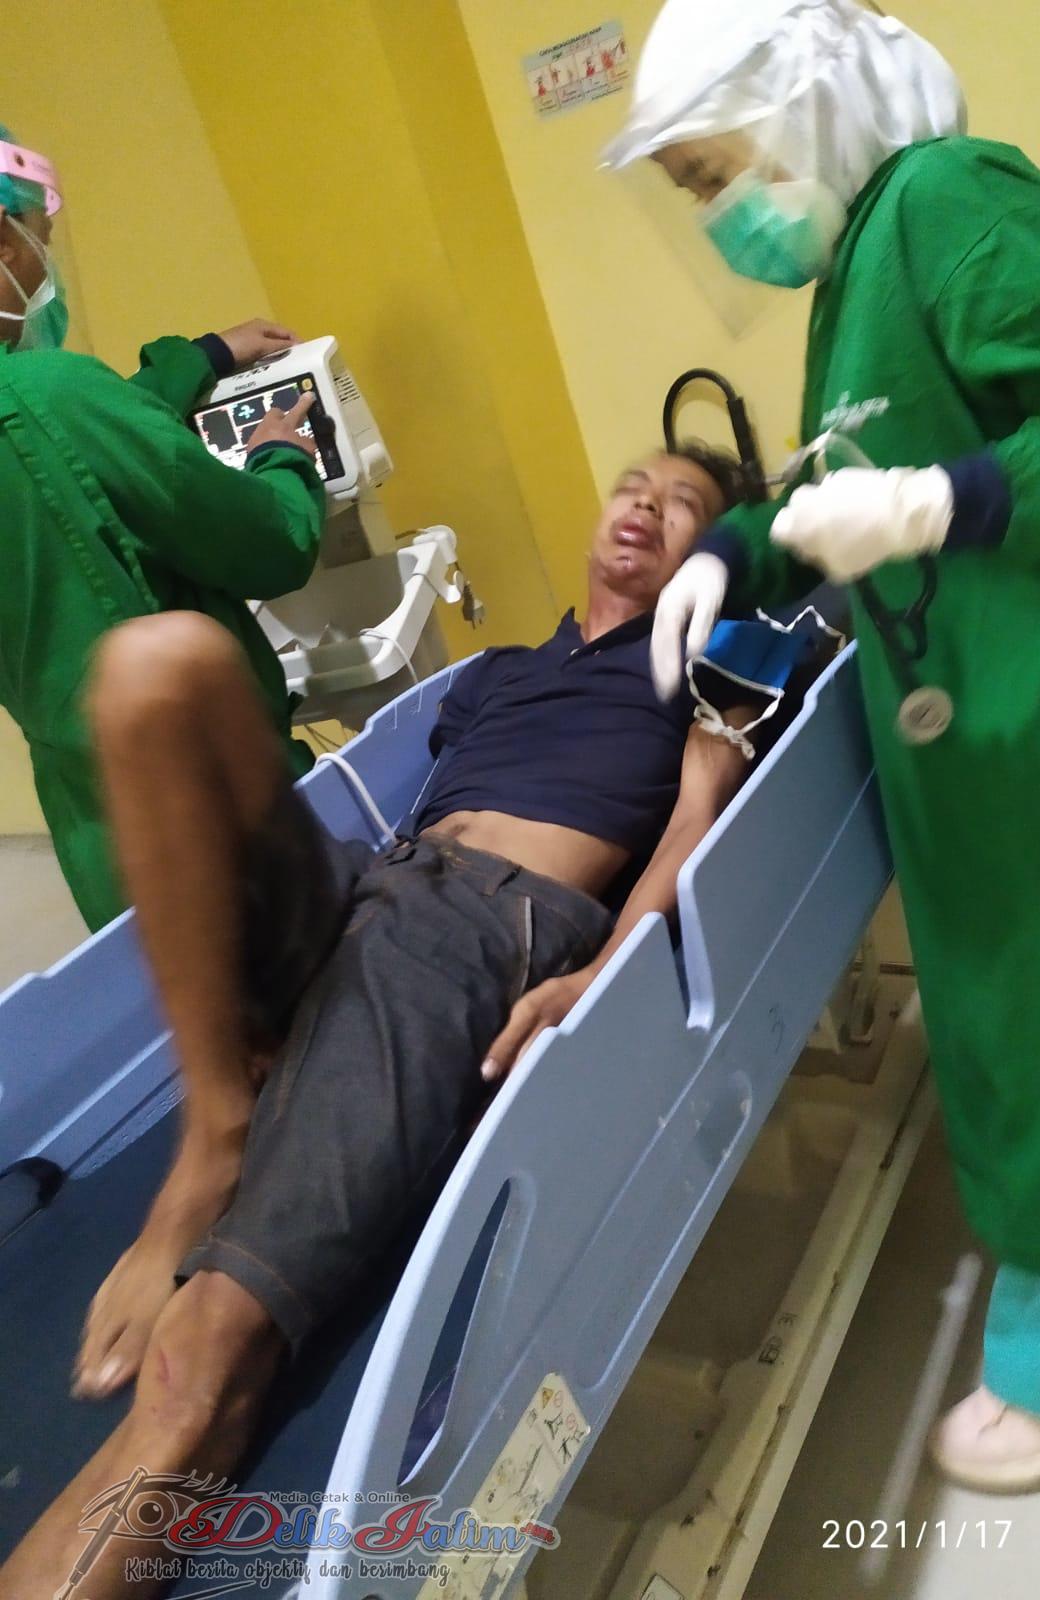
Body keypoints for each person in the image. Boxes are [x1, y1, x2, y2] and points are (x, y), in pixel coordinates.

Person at [0, 443, 811, 1599]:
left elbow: (693, 822)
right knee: (156, 666)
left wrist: (606, 967)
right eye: (637, 484)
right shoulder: (495, 672)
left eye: (686, 508)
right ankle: (215, 1133)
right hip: (365, 880)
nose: (647, 505)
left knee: (200, 1369)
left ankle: (178, 1415)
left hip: (474, 930)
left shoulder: (707, 664)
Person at [602, 0, 1040, 1490]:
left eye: (716, 171)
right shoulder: (860, 262)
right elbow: (834, 487)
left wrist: (945, 503)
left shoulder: (950, 198)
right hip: (975, 712)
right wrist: (731, 551)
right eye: (694, 193)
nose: (723, 214)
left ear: (804, 100)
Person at [0, 124, 327, 933]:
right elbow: (273, 544)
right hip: (220, 817)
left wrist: (203, 356)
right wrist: (283, 460)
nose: (44, 271)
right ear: (3, 246)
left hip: (102, 837)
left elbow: (59, 457)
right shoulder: (55, 391)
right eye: (38, 244)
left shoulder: (49, 406)